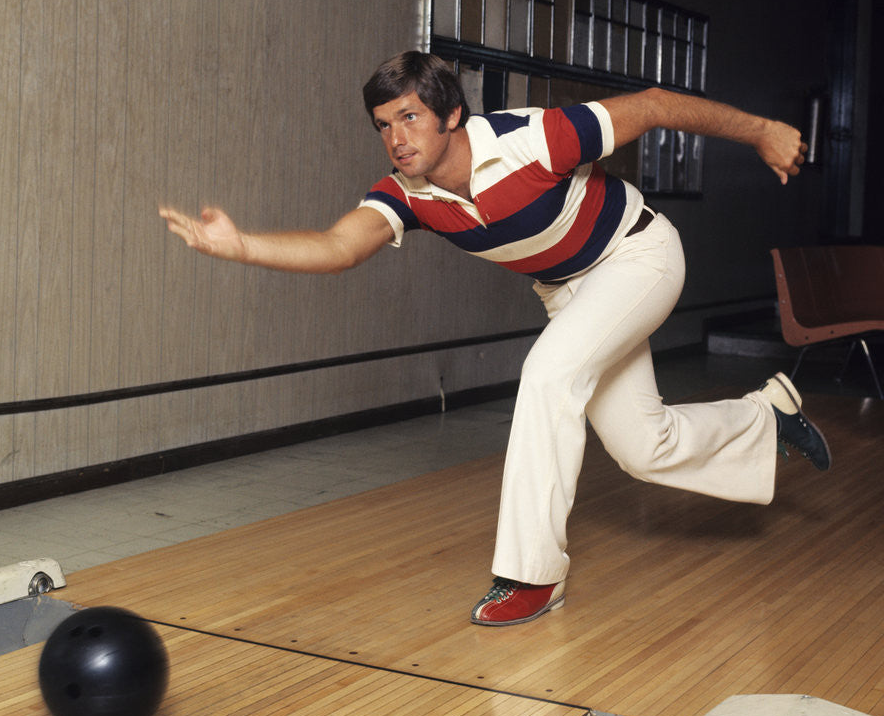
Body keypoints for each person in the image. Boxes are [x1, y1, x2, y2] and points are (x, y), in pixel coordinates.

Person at [159, 51, 830, 627]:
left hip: (639, 256)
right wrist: (243, 245)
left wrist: (765, 130)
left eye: (410, 117)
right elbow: (339, 246)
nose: (396, 137)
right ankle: (767, 417)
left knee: (547, 375)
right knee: (642, 448)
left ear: (452, 114)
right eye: (384, 125)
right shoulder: (408, 193)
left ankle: (533, 575)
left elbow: (653, 105)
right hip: (571, 289)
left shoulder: (535, 139)